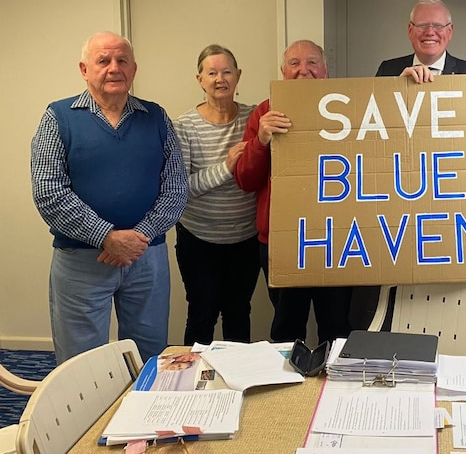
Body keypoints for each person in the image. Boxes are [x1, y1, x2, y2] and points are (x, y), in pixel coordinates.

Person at [31, 31, 188, 363]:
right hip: (82, 261)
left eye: (122, 61)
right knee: (81, 364)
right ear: (84, 69)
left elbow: (175, 190)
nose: (114, 68)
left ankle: (144, 415)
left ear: (133, 69)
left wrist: (138, 237)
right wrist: (107, 237)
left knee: (149, 356)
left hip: (147, 258)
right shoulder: (57, 118)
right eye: (103, 61)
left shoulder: (157, 118)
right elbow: (49, 192)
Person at [234, 40, 353, 344]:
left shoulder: (349, 107)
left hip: (338, 239)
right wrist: (260, 140)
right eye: (295, 64)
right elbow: (246, 180)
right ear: (283, 71)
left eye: (312, 62)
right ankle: (289, 391)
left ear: (325, 70)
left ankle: (332, 389)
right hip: (282, 240)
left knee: (337, 329)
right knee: (287, 329)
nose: (304, 71)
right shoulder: (265, 111)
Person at [173, 44, 262, 345]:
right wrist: (226, 167)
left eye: (226, 72)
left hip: (246, 240)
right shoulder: (184, 126)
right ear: (200, 79)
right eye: (212, 73)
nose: (219, 79)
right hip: (199, 241)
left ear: (238, 77)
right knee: (202, 314)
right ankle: (193, 388)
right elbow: (180, 189)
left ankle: (239, 387)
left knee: (239, 313)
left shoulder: (255, 118)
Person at [376, 0, 466, 77]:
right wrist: (396, 85)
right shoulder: (387, 71)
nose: (430, 32)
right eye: (422, 25)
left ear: (450, 31)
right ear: (410, 30)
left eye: (438, 26)